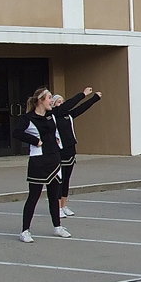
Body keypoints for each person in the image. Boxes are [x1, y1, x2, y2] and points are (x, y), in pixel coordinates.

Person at [11, 87, 70, 242]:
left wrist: (84, 95)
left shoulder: (51, 116)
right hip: (39, 161)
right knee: (34, 196)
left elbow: (67, 107)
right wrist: (35, 141)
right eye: (49, 97)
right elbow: (16, 132)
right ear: (40, 100)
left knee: (53, 196)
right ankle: (25, 230)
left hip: (54, 159)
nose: (52, 100)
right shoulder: (28, 118)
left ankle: (57, 226)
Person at [50, 87, 102, 218]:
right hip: (59, 151)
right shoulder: (53, 115)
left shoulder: (69, 115)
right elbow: (69, 104)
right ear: (54, 105)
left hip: (70, 150)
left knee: (66, 179)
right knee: (59, 180)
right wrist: (83, 94)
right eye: (58, 102)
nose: (61, 104)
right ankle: (57, 208)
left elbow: (82, 108)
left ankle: (64, 205)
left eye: (62, 101)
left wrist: (95, 98)